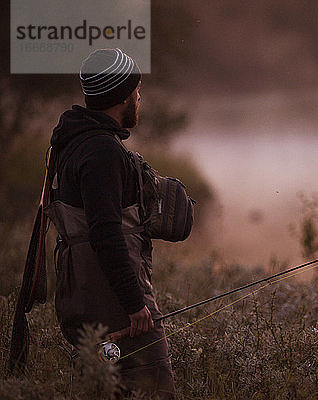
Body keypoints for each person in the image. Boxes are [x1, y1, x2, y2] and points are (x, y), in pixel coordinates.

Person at [46, 48, 176, 398]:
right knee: (153, 389)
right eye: (136, 92)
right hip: (115, 303)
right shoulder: (102, 151)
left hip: (85, 295)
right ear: (122, 96)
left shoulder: (72, 142)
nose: (139, 98)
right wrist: (135, 303)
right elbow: (104, 233)